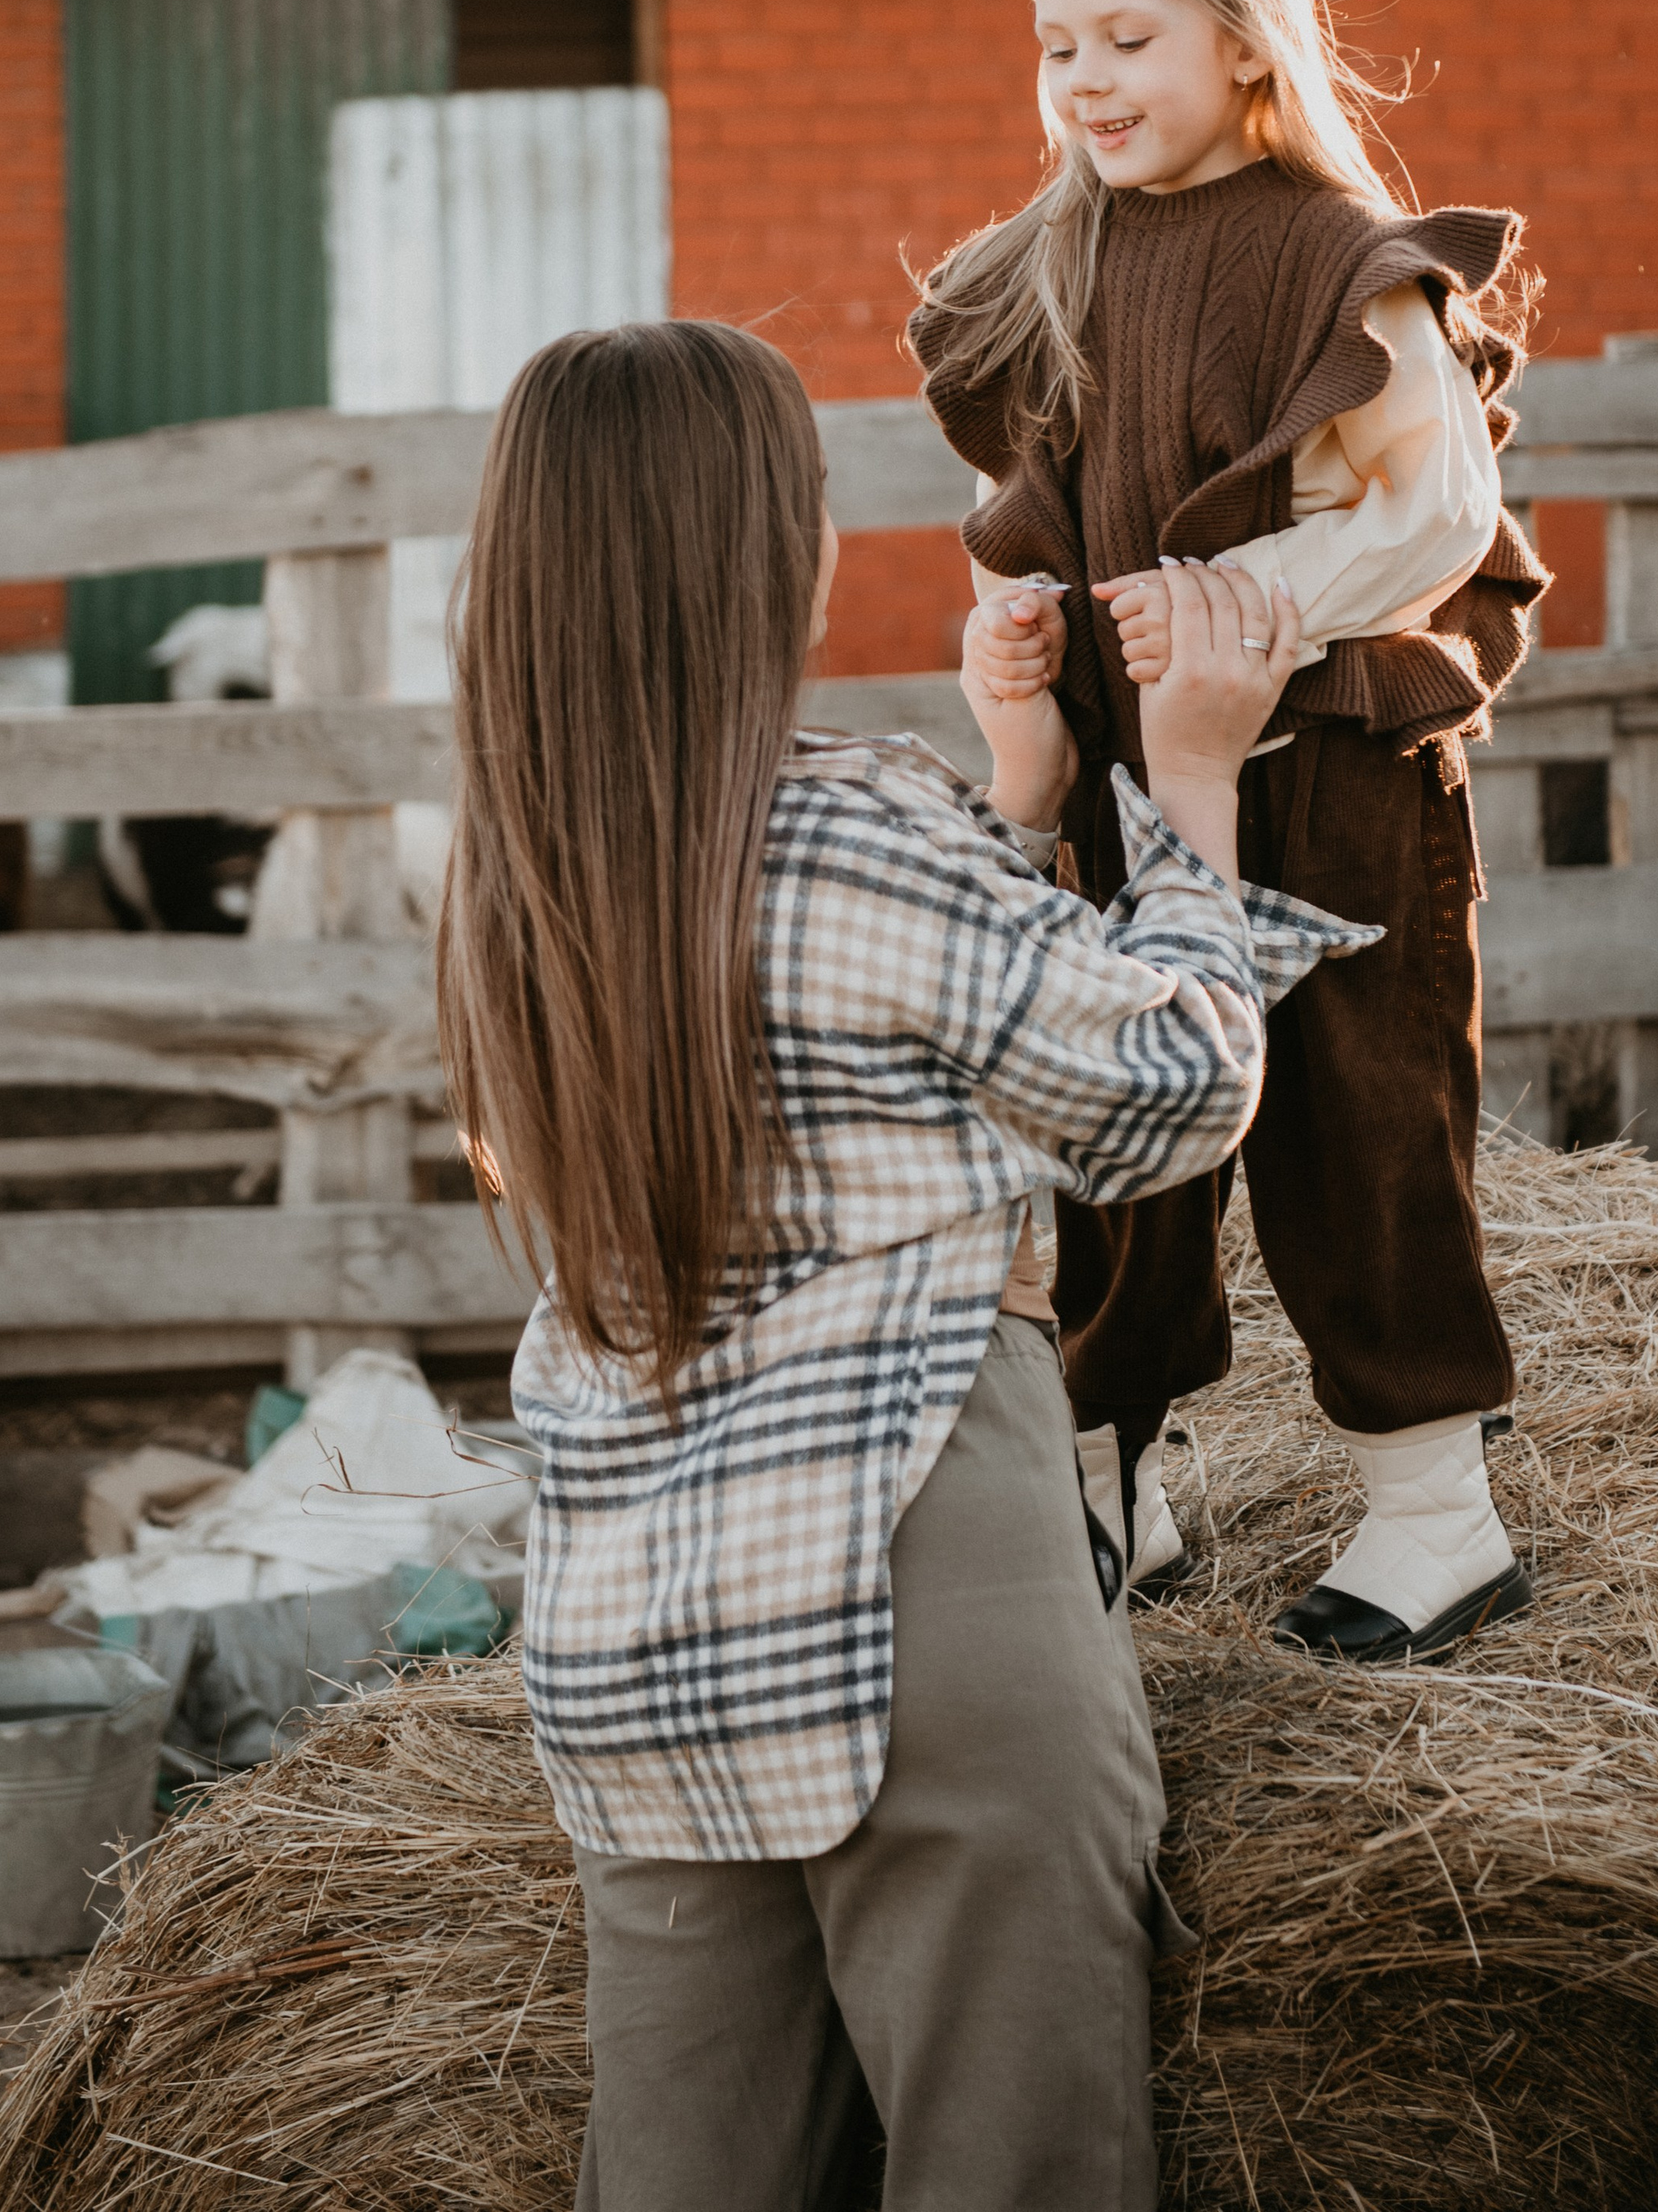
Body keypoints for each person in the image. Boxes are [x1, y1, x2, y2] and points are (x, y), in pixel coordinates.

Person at [437, 319, 1370, 2212]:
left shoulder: (513, 884)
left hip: (640, 1638)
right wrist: (1187, 780)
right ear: (748, 560)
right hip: (912, 1585)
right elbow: (1170, 1090)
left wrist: (1013, 797)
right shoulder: (847, 824)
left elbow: (834, 1048)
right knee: (1009, 2173)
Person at [908, 0, 1550, 1668]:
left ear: (1246, 37)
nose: (1086, 82)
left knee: (1357, 1132)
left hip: (1331, 770)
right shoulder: (1060, 255)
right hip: (1127, 780)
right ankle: (1116, 1486)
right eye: (1058, 46)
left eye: (1128, 38)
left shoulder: (1335, 256)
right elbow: (1037, 504)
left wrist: (1243, 598)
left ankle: (1433, 1520)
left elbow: (1438, 513)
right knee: (1113, 1131)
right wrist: (1020, 614)